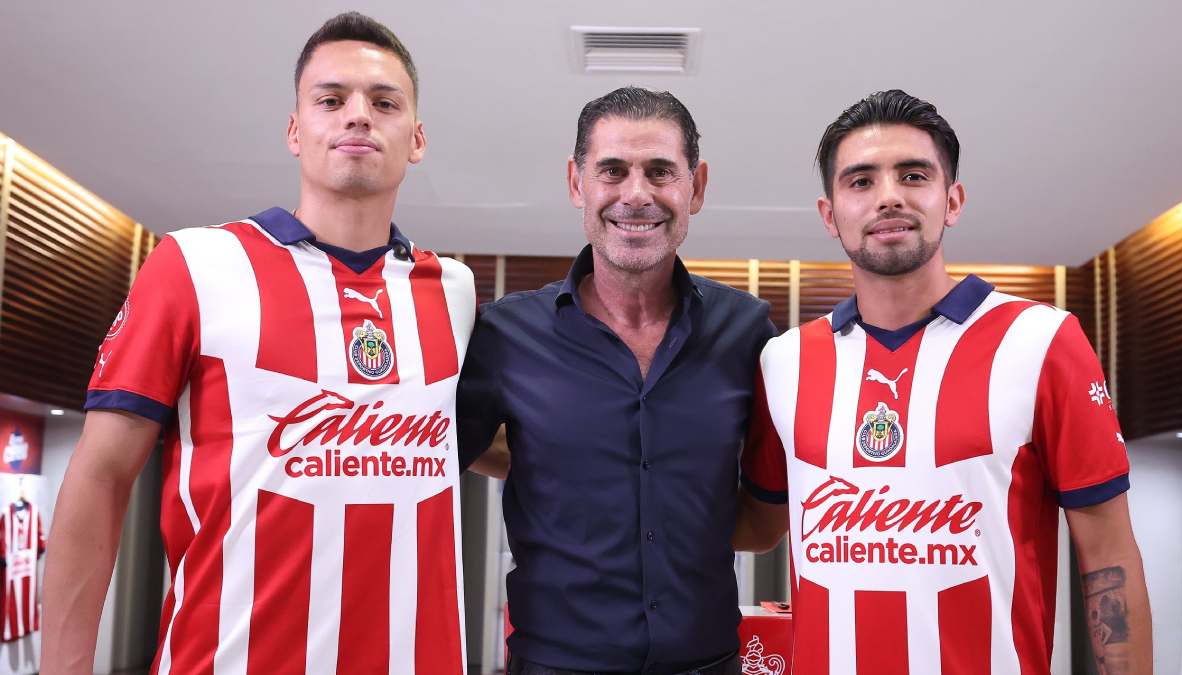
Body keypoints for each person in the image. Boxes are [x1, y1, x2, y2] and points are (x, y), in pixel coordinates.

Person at [42, 12, 475, 673]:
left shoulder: (456, 291)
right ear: (296, 131)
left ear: (415, 139)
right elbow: (100, 476)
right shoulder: (194, 263)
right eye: (331, 100)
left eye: (384, 102)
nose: (358, 116)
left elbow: (492, 437)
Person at [735, 89, 1152, 674]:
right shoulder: (783, 361)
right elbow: (757, 524)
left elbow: (1109, 555)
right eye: (860, 181)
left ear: (951, 200)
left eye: (913, 175)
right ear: (830, 215)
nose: (888, 197)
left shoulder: (1042, 341)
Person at [458, 87, 775, 674]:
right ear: (577, 184)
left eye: (660, 171)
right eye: (612, 170)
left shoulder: (748, 332)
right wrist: (550, 459)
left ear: (695, 186)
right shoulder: (507, 334)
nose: (636, 195)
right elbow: (452, 446)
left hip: (710, 663)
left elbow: (764, 515)